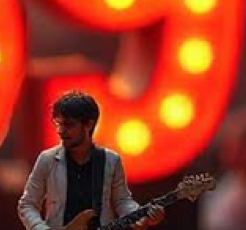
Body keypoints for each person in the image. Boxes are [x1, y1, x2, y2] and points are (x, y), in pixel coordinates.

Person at [18, 91, 165, 230]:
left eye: (69, 125)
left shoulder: (111, 160)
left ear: (89, 124)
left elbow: (122, 201)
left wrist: (141, 214)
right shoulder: (47, 160)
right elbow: (27, 204)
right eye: (59, 124)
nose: (61, 131)